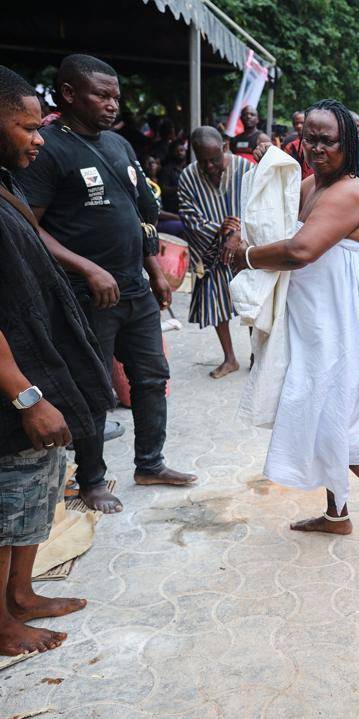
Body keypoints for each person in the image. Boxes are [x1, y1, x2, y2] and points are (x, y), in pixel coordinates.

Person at [226, 99, 359, 553]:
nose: (314, 148)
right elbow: (275, 225)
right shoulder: (310, 183)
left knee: (343, 425)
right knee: (318, 413)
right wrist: (241, 231)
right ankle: (337, 515)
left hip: (353, 324)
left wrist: (244, 256)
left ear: (346, 142)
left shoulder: (350, 191)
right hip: (319, 321)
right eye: (308, 137)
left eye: (326, 140)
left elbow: (299, 251)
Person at [17, 54, 196, 513]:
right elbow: (29, 226)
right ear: (70, 93)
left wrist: (154, 269)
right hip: (83, 295)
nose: (113, 104)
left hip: (133, 288)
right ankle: (92, 479)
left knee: (152, 378)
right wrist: (86, 267)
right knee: (93, 387)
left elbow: (141, 217)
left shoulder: (119, 146)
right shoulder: (48, 148)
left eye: (116, 96)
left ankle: (150, 463)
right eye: (102, 95)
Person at [0, 64, 113, 658]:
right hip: (14, 390)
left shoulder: (6, 182)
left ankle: (20, 594)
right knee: (5, 507)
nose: (38, 137)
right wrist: (24, 394)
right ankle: (2, 621)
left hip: (35, 376)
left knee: (31, 496)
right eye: (25, 127)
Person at [178, 126, 247, 379]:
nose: (209, 166)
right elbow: (188, 215)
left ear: (224, 148)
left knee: (252, 301)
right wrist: (219, 230)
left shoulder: (245, 169)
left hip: (245, 247)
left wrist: (237, 234)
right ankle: (230, 358)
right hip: (210, 253)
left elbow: (260, 206)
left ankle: (256, 354)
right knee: (217, 301)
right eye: (202, 160)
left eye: (214, 159)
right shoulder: (187, 176)